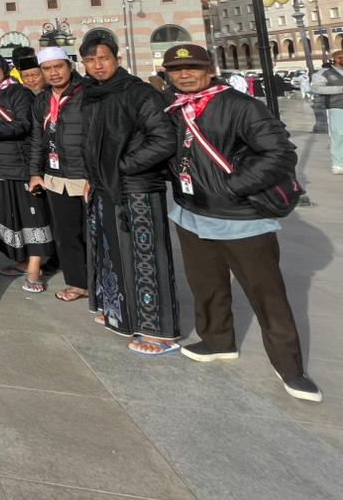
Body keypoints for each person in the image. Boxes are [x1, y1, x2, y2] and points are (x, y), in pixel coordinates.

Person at [161, 45, 320, 401]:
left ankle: (290, 367)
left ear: (210, 69)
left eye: (192, 68)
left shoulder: (239, 105)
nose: (184, 75)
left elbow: (279, 153)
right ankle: (217, 340)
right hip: (192, 213)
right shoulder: (171, 108)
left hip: (241, 219)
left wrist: (232, 187)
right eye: (176, 70)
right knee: (206, 284)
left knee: (267, 295)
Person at [80, 31, 181, 356]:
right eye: (91, 60)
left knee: (145, 258)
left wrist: (122, 165)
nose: (98, 65)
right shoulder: (93, 94)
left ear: (117, 59)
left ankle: (159, 331)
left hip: (136, 187)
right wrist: (92, 175)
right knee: (112, 253)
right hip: (103, 186)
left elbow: (164, 140)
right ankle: (119, 313)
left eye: (104, 58)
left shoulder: (139, 93)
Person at [0, 51, 52, 292]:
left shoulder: (20, 93)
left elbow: (22, 125)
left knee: (32, 217)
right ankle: (23, 262)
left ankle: (35, 270)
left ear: (4, 69)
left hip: (20, 165)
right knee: (11, 218)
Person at [27, 46, 91, 302]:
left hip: (84, 177)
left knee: (93, 234)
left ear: (69, 66)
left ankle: (101, 284)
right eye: (47, 69)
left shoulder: (87, 94)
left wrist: (95, 176)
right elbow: (36, 139)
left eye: (58, 67)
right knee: (66, 235)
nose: (53, 73)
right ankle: (78, 283)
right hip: (55, 176)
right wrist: (34, 172)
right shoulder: (42, 100)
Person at [310, 50, 343, 173]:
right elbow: (316, 88)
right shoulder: (326, 73)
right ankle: (338, 164)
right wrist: (340, 89)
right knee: (339, 135)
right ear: (335, 59)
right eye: (340, 57)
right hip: (337, 106)